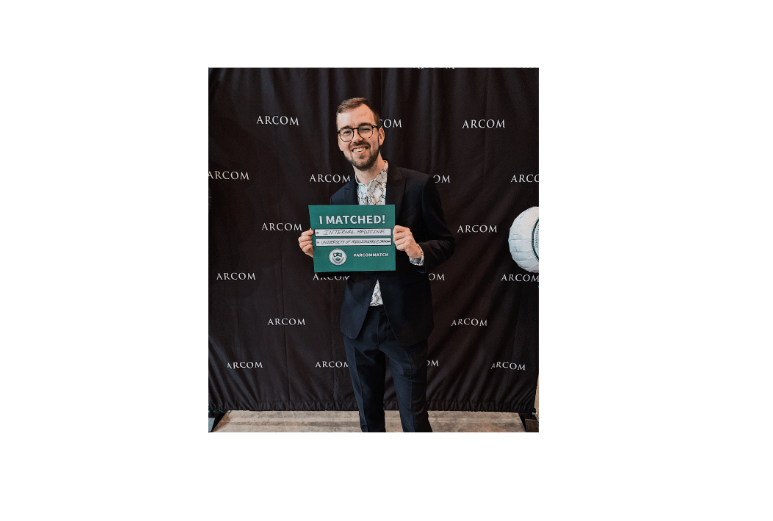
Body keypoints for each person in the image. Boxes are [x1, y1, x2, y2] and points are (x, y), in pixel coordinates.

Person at [298, 97, 455, 432]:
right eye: (347, 131)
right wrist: (319, 255)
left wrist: (417, 249)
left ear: (380, 134)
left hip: (406, 322)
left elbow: (446, 243)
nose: (356, 137)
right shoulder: (338, 200)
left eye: (364, 128)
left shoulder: (418, 186)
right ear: (340, 142)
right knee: (368, 419)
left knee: (414, 419)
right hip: (358, 324)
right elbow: (345, 263)